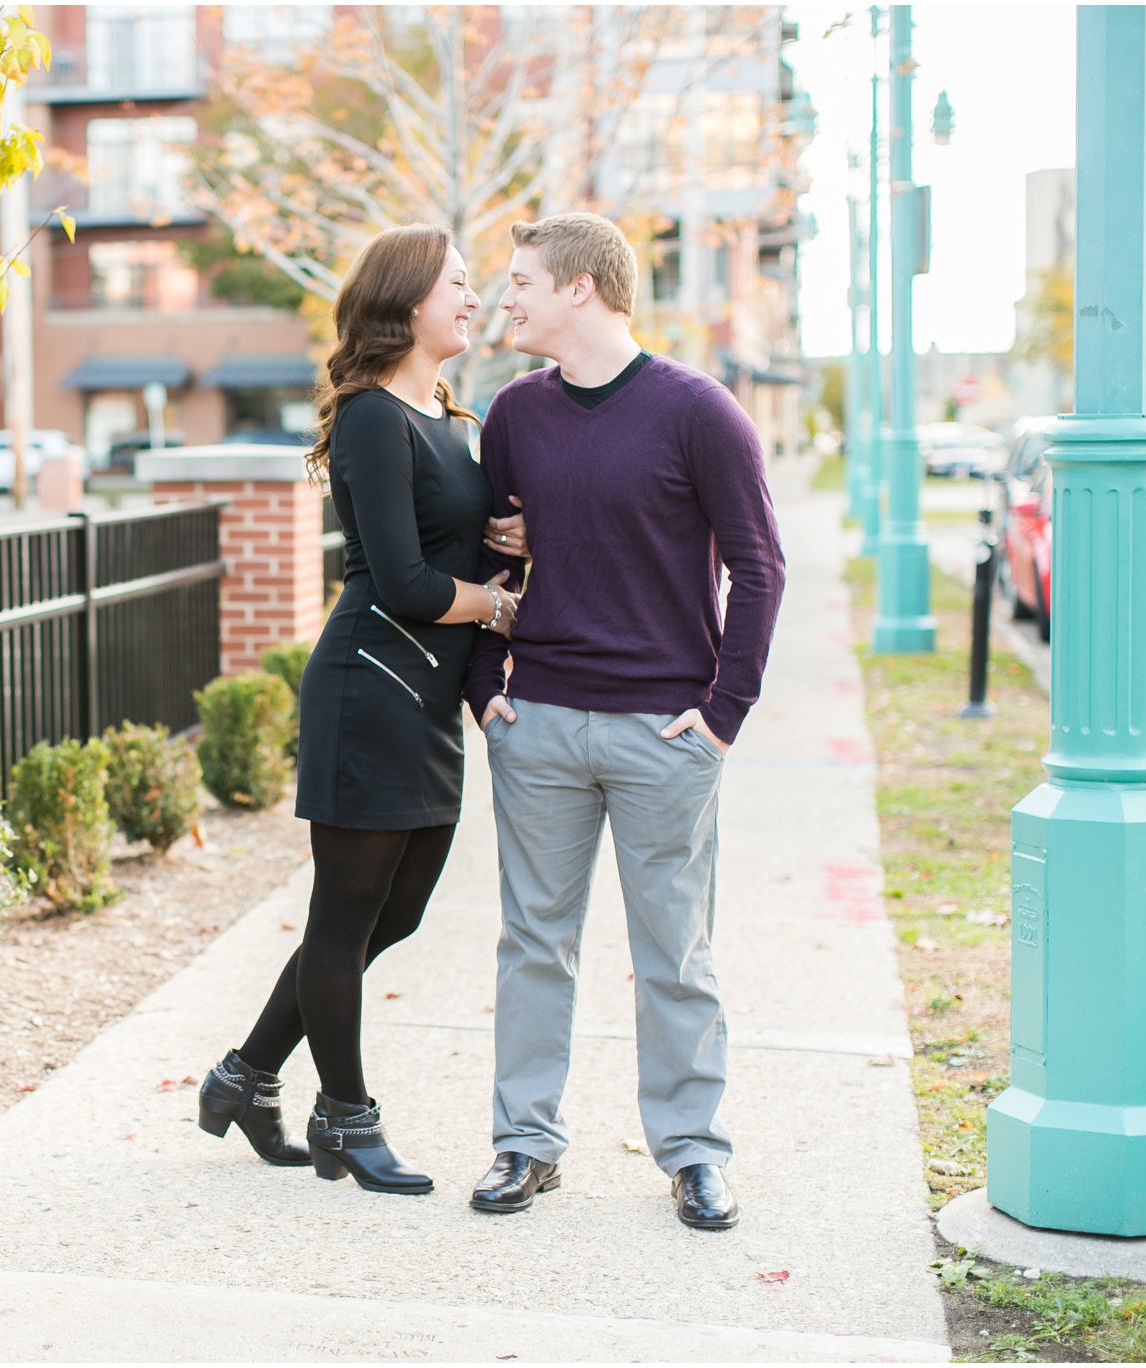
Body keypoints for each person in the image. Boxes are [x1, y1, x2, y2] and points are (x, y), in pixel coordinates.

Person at [463, 212, 785, 1230]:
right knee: (532, 945)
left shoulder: (697, 411)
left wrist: (722, 715)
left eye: (518, 281)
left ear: (580, 289)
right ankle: (524, 1145)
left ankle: (691, 1155)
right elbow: (493, 558)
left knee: (672, 955)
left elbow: (759, 568)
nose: (501, 298)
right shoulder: (512, 412)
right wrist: (485, 688)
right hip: (542, 722)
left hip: (663, 732)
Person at [198, 224, 522, 1196]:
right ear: (407, 299)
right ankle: (344, 1117)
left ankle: (245, 1073)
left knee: (395, 913)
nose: (473, 299)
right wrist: (503, 603)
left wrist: (507, 539)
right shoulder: (373, 418)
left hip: (421, 701)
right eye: (457, 284)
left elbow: (452, 546)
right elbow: (407, 583)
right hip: (368, 690)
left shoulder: (451, 422)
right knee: (341, 922)